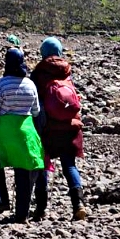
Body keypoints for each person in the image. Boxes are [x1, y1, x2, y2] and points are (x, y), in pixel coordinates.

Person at [0, 47, 45, 223]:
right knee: (24, 171)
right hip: (25, 133)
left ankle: (2, 199)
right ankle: (22, 215)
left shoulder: (2, 84)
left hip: (2, 134)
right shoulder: (30, 84)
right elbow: (36, 111)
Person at [30, 37, 87, 221]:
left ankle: (41, 209)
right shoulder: (67, 71)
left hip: (47, 128)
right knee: (69, 164)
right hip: (70, 126)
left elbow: (34, 101)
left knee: (43, 165)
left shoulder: (38, 73)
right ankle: (78, 204)